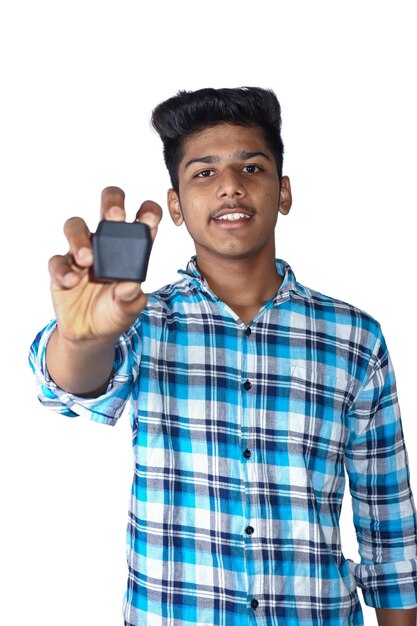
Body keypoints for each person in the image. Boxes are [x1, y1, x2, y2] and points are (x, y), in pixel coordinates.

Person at [29, 87, 417, 626]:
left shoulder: (355, 338)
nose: (231, 186)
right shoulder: (145, 321)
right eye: (204, 173)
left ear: (283, 193)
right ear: (177, 206)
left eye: (251, 168)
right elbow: (71, 387)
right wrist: (80, 339)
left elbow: (388, 521)